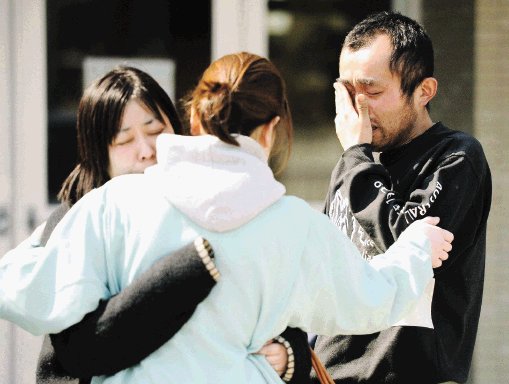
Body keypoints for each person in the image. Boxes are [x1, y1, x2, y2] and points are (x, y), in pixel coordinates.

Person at [0, 52, 452, 384]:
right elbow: (369, 301)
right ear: (272, 128)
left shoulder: (113, 203)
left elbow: (25, 292)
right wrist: (414, 250)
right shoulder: (291, 224)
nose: (143, 148)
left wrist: (33, 251)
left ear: (193, 118)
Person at [9, 66, 307, 383]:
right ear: (98, 153)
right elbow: (82, 350)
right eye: (124, 140)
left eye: (155, 132)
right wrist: (192, 268)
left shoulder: (214, 205)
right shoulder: (76, 220)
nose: (146, 150)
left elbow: (283, 308)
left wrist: (286, 354)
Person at [313, 11, 492, 384]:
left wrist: (355, 158)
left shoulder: (456, 158)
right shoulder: (354, 163)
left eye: (372, 91)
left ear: (424, 91)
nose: (358, 108)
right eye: (347, 91)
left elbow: (406, 246)